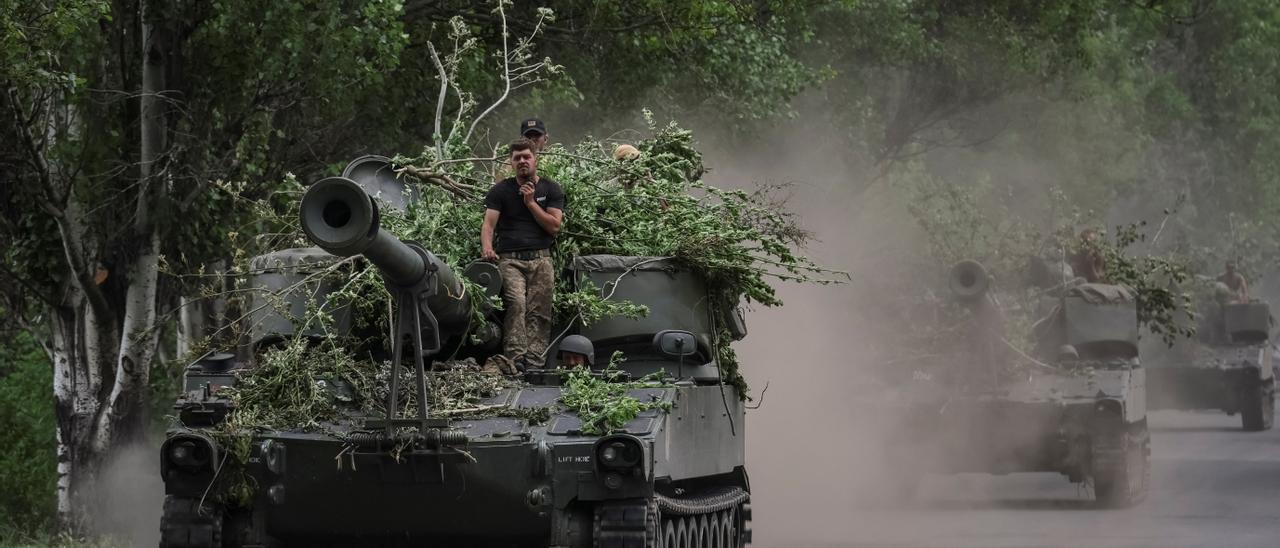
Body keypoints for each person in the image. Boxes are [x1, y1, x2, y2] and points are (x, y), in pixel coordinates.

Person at [481, 139, 565, 370]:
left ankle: (535, 363)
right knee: (516, 304)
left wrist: (530, 202)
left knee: (540, 309)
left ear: (535, 159)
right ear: (511, 162)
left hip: (541, 258)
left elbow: (554, 226)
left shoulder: (551, 189)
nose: (522, 161)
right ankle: (516, 361)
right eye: (517, 158)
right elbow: (488, 225)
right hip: (510, 259)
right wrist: (487, 247)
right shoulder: (500, 190)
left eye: (526, 157)